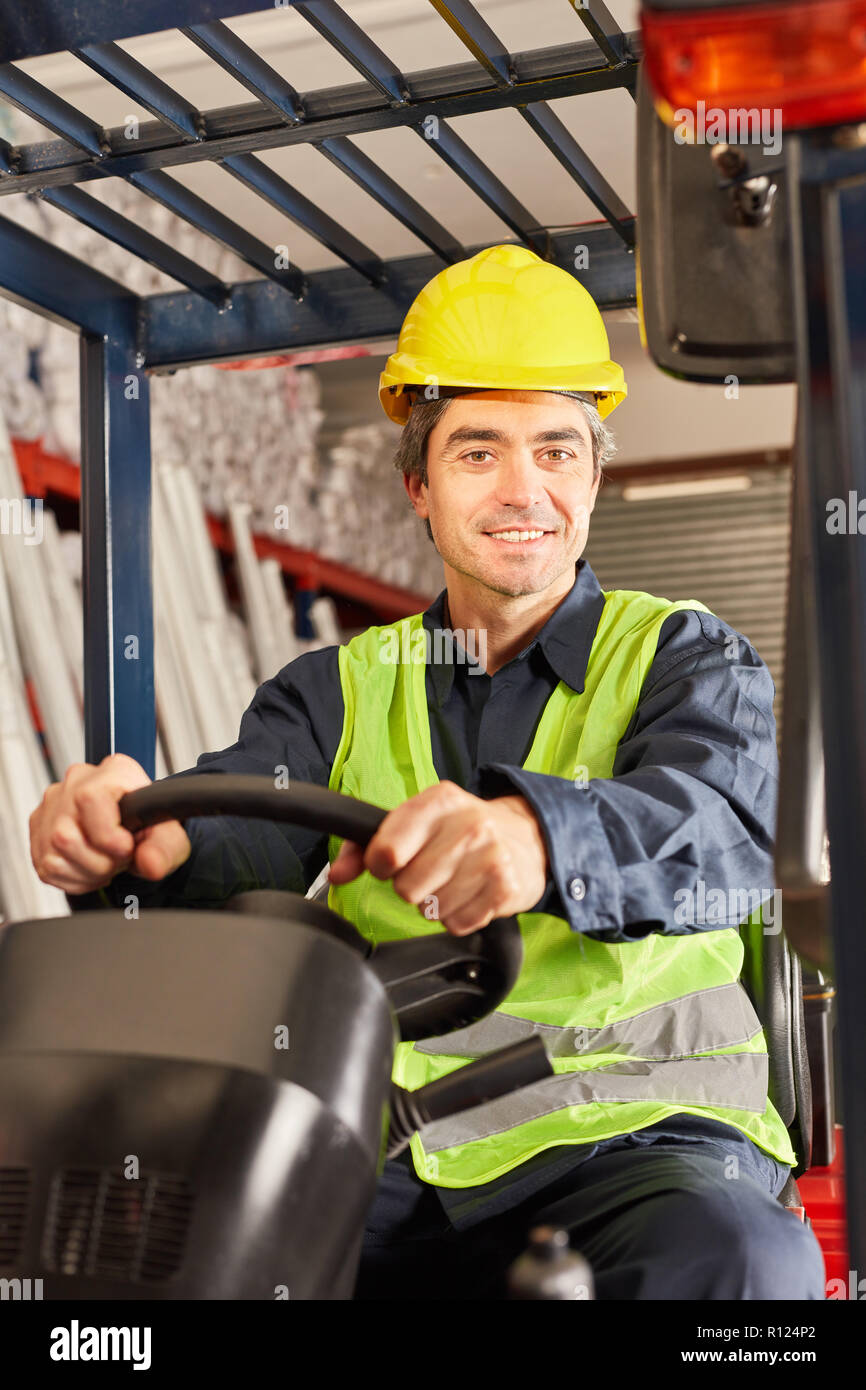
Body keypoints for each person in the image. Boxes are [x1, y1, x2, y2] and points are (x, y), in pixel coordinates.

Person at [30, 243, 826, 1300]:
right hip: (400, 1147)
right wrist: (135, 839)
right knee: (167, 1252)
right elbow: (238, 826)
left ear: (592, 475)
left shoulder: (684, 655)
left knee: (744, 1264)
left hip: (638, 1141)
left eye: (554, 450)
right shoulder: (338, 686)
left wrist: (537, 839)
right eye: (477, 452)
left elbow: (717, 827)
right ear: (416, 483)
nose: (521, 489)